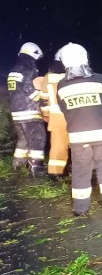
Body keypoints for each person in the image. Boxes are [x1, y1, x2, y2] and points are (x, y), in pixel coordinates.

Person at [55, 43, 102, 216]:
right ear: (86, 59)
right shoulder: (99, 79)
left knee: (80, 171)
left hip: (78, 137)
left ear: (65, 64)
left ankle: (80, 209)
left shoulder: (62, 86)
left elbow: (64, 109)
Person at [8, 42, 47, 176]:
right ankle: (36, 168)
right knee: (38, 138)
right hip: (29, 112)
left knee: (23, 140)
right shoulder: (29, 69)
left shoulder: (14, 69)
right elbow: (29, 89)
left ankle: (18, 165)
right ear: (34, 54)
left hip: (16, 112)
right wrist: (42, 100)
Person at [37, 53, 71, 179]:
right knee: (78, 145)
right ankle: (80, 169)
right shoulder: (73, 74)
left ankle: (55, 173)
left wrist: (46, 115)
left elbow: (44, 99)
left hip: (56, 118)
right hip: (74, 116)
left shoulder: (48, 77)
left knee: (58, 146)